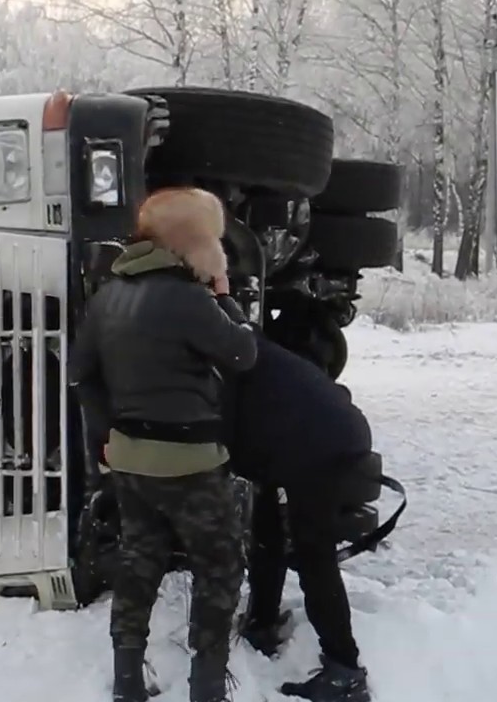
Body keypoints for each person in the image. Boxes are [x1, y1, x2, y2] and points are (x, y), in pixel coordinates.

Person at [68, 186, 258, 702]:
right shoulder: (189, 299)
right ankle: (207, 686)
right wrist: (226, 298)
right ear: (194, 243)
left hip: (131, 460)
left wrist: (107, 435)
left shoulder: (108, 297)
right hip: (191, 463)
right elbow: (242, 354)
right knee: (218, 568)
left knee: (139, 561)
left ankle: (128, 679)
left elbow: (82, 375)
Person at [222, 324, 375, 702]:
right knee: (267, 528)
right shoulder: (238, 341)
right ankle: (262, 622)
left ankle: (345, 670)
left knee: (313, 553)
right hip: (316, 434)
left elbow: (225, 438)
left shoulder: (224, 361)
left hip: (322, 445)